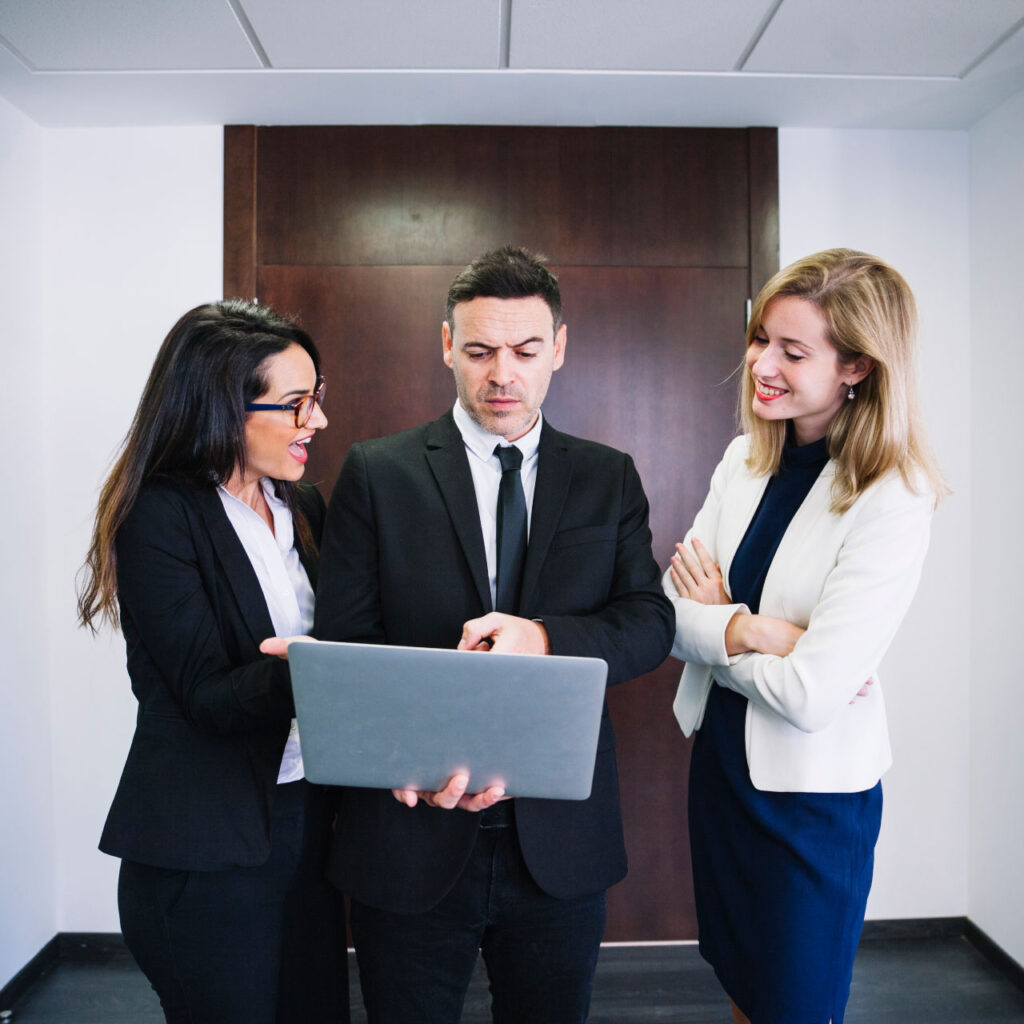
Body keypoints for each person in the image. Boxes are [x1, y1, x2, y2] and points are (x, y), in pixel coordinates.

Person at [312, 246, 674, 1023]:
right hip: (408, 830)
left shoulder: (608, 476)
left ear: (560, 350)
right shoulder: (376, 473)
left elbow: (647, 625)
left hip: (558, 844)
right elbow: (349, 641)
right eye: (479, 351)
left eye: (524, 350)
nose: (501, 374)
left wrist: (543, 636)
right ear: (447, 346)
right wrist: (402, 755)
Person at [664, 249, 946, 1024]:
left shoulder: (894, 498)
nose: (762, 364)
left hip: (811, 804)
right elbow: (669, 609)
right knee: (744, 988)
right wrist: (758, 629)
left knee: (796, 1003)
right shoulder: (746, 460)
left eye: (793, 351)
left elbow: (814, 696)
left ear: (857, 365)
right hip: (723, 773)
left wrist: (720, 626)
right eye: (762, 340)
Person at [77, 300, 349, 1024]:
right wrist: (322, 669)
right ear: (223, 407)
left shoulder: (306, 508)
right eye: (295, 404)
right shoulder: (161, 516)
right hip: (203, 849)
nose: (315, 422)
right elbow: (207, 695)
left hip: (306, 830)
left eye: (317, 399)